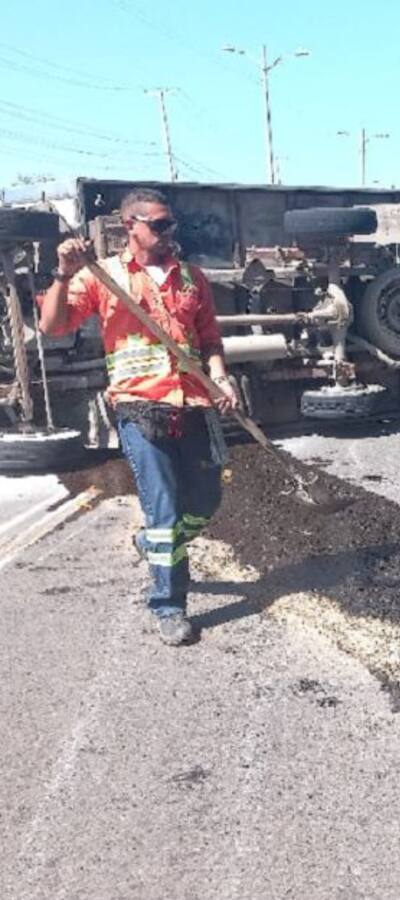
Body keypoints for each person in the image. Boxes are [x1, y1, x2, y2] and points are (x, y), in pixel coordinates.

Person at [40, 187, 238, 646]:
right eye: (160, 225)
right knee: (164, 509)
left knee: (206, 501)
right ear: (131, 225)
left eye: (172, 224)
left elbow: (209, 340)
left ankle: (152, 544)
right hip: (138, 406)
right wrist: (61, 275)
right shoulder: (103, 276)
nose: (170, 232)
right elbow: (53, 326)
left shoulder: (191, 278)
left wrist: (221, 378)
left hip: (192, 403)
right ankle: (169, 604)